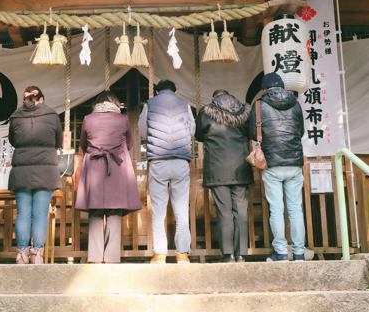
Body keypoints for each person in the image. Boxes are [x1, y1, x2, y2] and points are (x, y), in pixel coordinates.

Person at [75, 91, 142, 263]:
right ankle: (112, 258)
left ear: (96, 103)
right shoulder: (123, 119)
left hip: (94, 167)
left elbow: (83, 144)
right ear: (115, 103)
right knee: (114, 211)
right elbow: (129, 144)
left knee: (95, 211)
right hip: (116, 167)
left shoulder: (88, 119)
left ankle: (95, 257)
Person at [248, 72, 306, 262]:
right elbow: (301, 131)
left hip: (272, 163)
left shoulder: (259, 105)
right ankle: (299, 253)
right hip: (294, 163)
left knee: (276, 209)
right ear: (282, 87)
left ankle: (281, 252)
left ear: (264, 89)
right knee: (296, 209)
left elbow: (251, 132)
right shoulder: (295, 104)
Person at [138, 79, 195, 264]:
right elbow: (192, 129)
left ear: (156, 92)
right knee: (181, 210)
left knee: (159, 211)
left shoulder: (150, 104)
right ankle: (182, 254)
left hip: (159, 161)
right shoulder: (184, 104)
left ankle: (160, 255)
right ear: (175, 92)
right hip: (180, 161)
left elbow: (142, 131)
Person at [195, 89, 254, 263]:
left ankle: (228, 254)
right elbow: (252, 134)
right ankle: (241, 254)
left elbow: (199, 136)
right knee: (241, 211)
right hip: (241, 167)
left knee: (224, 212)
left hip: (217, 169)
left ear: (214, 99)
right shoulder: (244, 111)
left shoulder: (206, 113)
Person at [8, 86, 63, 264]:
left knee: (23, 213)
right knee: (40, 213)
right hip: (46, 170)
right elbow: (59, 141)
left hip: (22, 170)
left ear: (25, 99)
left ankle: (22, 254)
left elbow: (13, 141)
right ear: (41, 99)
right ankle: (37, 254)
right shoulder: (51, 115)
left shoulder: (16, 116)